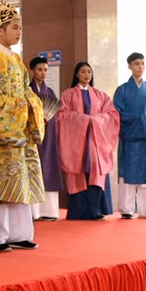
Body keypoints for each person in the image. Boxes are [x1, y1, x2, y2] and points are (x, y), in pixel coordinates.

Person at [0, 0, 44, 252]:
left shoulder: (16, 59)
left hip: (21, 130)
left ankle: (20, 234)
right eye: (14, 27)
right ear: (0, 29)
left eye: (20, 27)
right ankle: (0, 235)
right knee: (2, 184)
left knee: (21, 182)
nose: (18, 32)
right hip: (3, 132)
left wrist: (30, 105)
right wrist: (15, 109)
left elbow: (27, 90)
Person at [56, 62, 120, 220]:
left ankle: (95, 211)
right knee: (78, 171)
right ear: (76, 74)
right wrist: (84, 120)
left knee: (94, 170)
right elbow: (60, 116)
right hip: (75, 141)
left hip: (95, 141)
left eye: (89, 72)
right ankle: (78, 212)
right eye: (83, 72)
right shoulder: (68, 94)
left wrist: (95, 121)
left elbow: (112, 115)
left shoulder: (100, 95)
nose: (86, 75)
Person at [114, 53, 146, 219]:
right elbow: (116, 114)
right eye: (136, 64)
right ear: (129, 66)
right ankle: (127, 209)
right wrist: (139, 117)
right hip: (130, 138)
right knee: (128, 172)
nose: (140, 67)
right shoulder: (121, 90)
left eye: (142, 63)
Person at [28, 56, 63, 221]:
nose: (43, 73)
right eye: (40, 70)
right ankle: (35, 212)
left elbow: (55, 114)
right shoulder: (27, 90)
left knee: (49, 167)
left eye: (45, 70)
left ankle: (49, 211)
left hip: (48, 135)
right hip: (32, 136)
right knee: (34, 168)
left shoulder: (50, 92)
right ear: (32, 71)